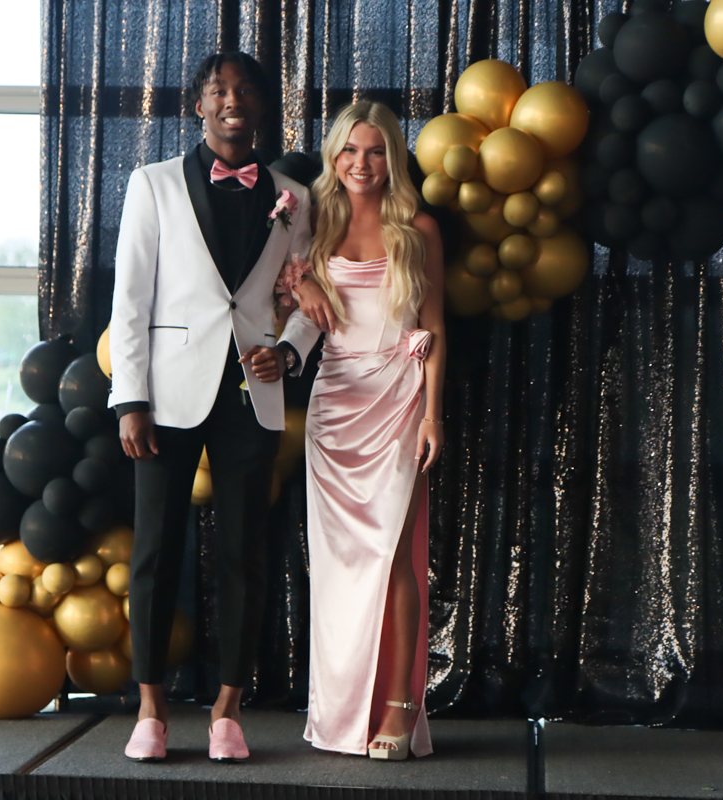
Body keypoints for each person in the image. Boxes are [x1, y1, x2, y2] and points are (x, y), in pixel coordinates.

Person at [108, 50, 311, 763]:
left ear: (261, 105)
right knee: (155, 552)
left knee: (244, 555)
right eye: (219, 89)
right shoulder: (153, 183)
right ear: (199, 103)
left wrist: (289, 352)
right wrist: (130, 399)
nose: (232, 100)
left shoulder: (294, 197)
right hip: (166, 395)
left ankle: (229, 709)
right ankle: (151, 709)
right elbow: (130, 298)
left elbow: (310, 296)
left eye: (245, 89)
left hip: (251, 396)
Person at [277, 101, 446, 760]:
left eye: (375, 151)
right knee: (338, 568)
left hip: (399, 400)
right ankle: (340, 713)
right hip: (334, 407)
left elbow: (435, 328)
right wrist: (301, 285)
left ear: (392, 158)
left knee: (393, 558)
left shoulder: (419, 228)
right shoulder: (312, 222)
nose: (361, 163)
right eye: (349, 150)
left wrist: (433, 414)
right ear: (334, 156)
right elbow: (271, 285)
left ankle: (399, 709)